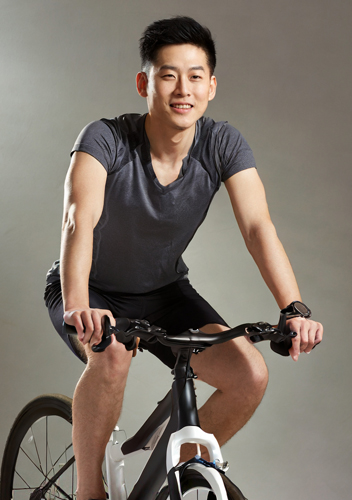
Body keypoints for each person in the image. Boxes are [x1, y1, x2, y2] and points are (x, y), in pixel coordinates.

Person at [44, 16, 323, 500]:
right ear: (144, 84)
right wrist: (78, 304)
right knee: (111, 357)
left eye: (195, 76)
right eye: (168, 75)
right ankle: (90, 491)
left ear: (211, 86)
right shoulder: (104, 139)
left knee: (250, 375)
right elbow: (77, 221)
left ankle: (173, 476)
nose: (183, 89)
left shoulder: (222, 144)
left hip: (164, 293)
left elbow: (258, 228)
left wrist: (293, 308)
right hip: (92, 290)